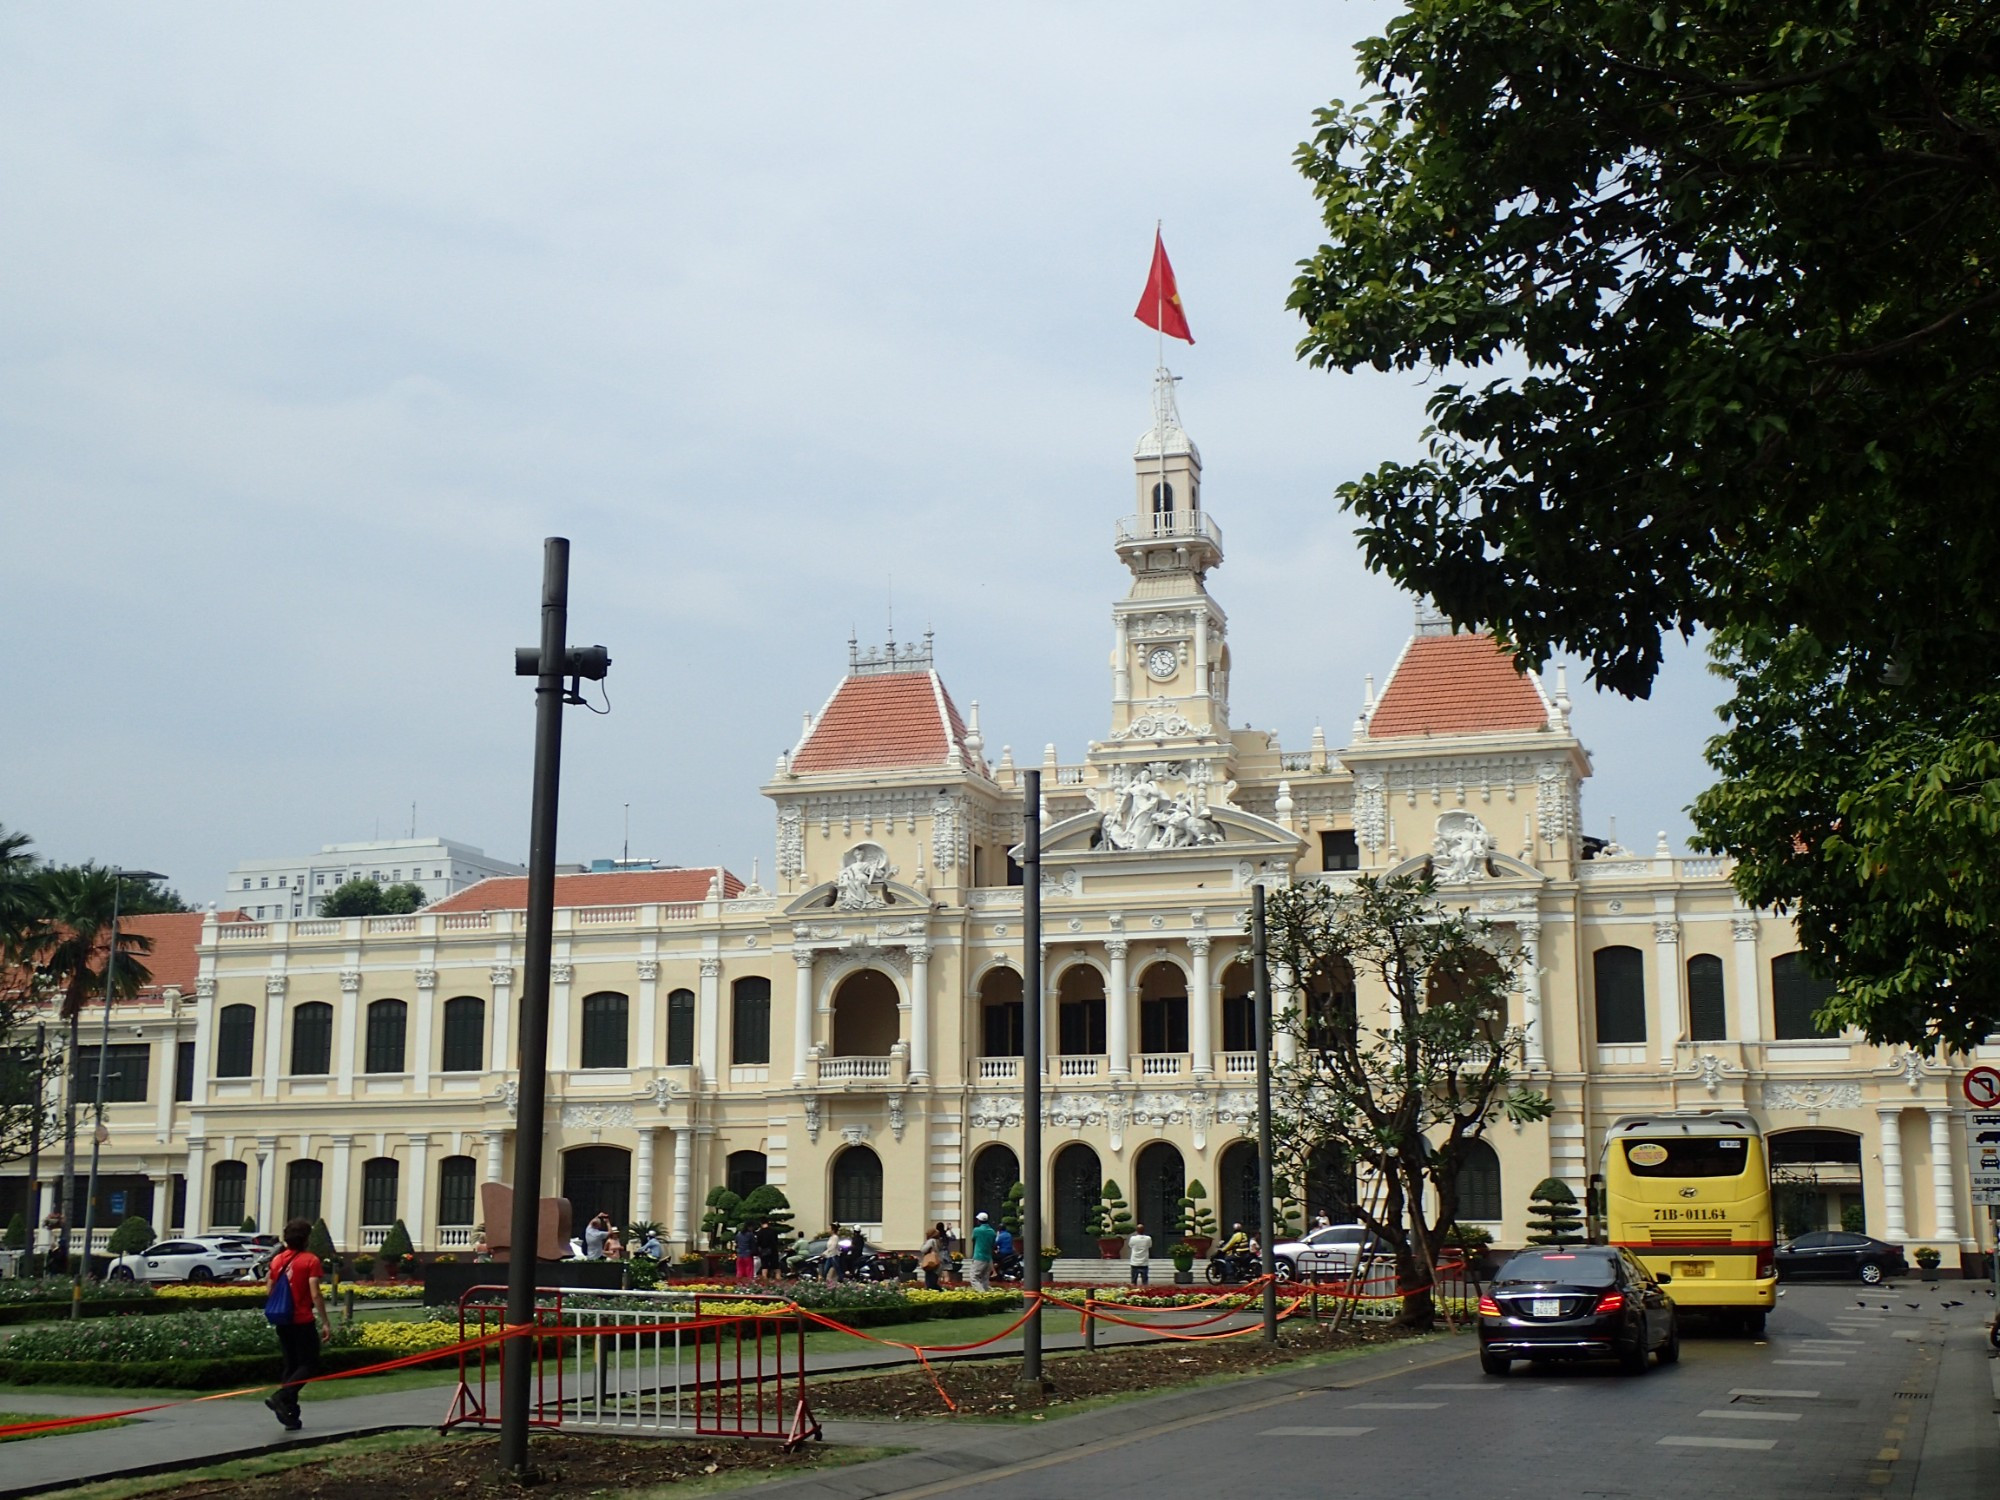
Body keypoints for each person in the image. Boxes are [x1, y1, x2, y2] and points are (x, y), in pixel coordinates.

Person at [263, 1217, 332, 1432]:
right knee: (309, 1364)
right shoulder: (310, 1260)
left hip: (282, 1319)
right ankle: (282, 1396)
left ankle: (290, 1414)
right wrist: (326, 1321)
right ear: (306, 1239)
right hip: (302, 1319)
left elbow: (269, 1288)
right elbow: (315, 1293)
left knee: (291, 1364)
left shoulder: (277, 1260)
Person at [967, 1212, 996, 1292]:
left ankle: (982, 1294)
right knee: (985, 1279)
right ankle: (987, 1295)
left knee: (974, 1277)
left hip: (979, 1257)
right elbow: (993, 1244)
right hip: (988, 1258)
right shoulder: (992, 1232)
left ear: (979, 1221)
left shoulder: (977, 1230)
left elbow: (973, 1239)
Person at [918, 1222, 948, 1291]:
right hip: (937, 1263)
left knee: (930, 1283)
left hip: (931, 1263)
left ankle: (942, 1292)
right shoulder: (937, 1241)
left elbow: (923, 1250)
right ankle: (941, 1292)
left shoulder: (931, 1241)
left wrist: (924, 1244)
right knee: (933, 1282)